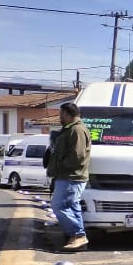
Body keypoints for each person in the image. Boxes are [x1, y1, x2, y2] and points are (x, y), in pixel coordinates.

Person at [48, 103, 91, 251]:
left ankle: (78, 235)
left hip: (71, 176)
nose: (59, 117)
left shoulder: (77, 130)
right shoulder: (70, 129)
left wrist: (59, 167)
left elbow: (77, 156)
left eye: (61, 114)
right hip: (69, 176)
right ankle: (77, 240)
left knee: (58, 206)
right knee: (72, 207)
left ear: (67, 114)